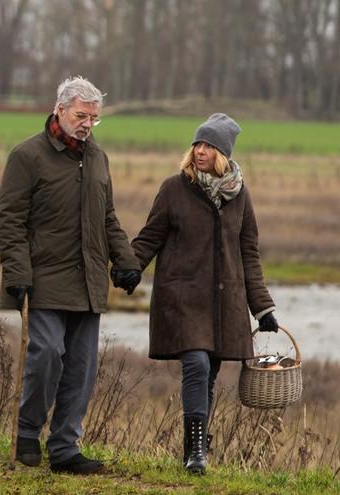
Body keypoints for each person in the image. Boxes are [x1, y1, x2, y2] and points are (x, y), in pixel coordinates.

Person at [0, 76, 141, 474]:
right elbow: (9, 221)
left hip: (89, 282)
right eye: (82, 115)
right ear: (59, 109)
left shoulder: (98, 158)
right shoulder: (27, 156)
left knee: (81, 367)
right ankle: (28, 432)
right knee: (45, 356)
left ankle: (64, 448)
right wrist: (16, 273)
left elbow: (107, 217)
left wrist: (125, 261)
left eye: (94, 117)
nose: (88, 124)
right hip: (44, 279)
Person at [131, 113, 278, 475]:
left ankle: (194, 449)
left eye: (209, 146)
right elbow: (150, 236)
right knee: (196, 364)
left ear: (223, 153)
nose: (200, 151)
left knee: (208, 373)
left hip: (223, 303)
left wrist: (263, 308)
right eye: (198, 143)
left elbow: (249, 254)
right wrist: (129, 267)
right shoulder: (173, 189)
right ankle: (197, 449)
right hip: (181, 297)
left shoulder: (240, 197)